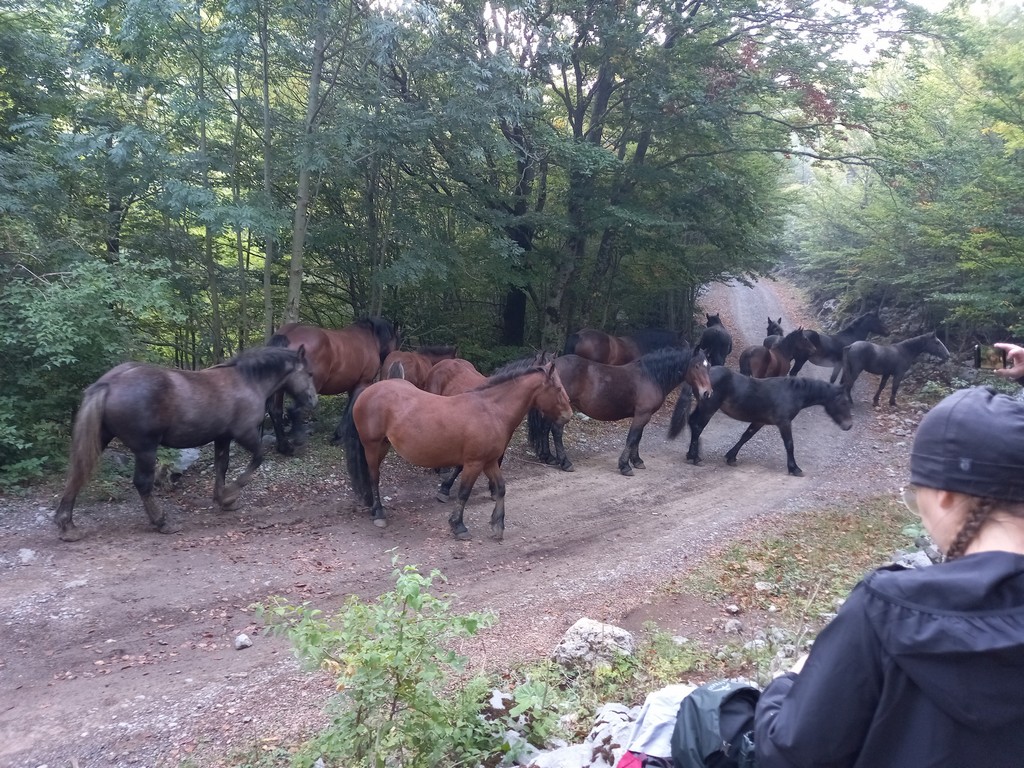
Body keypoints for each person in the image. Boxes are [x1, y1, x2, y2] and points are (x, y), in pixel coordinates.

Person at [753, 385, 1024, 768]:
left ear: (945, 495)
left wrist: (788, 683)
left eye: (916, 495)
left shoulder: (885, 611)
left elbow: (788, 755)